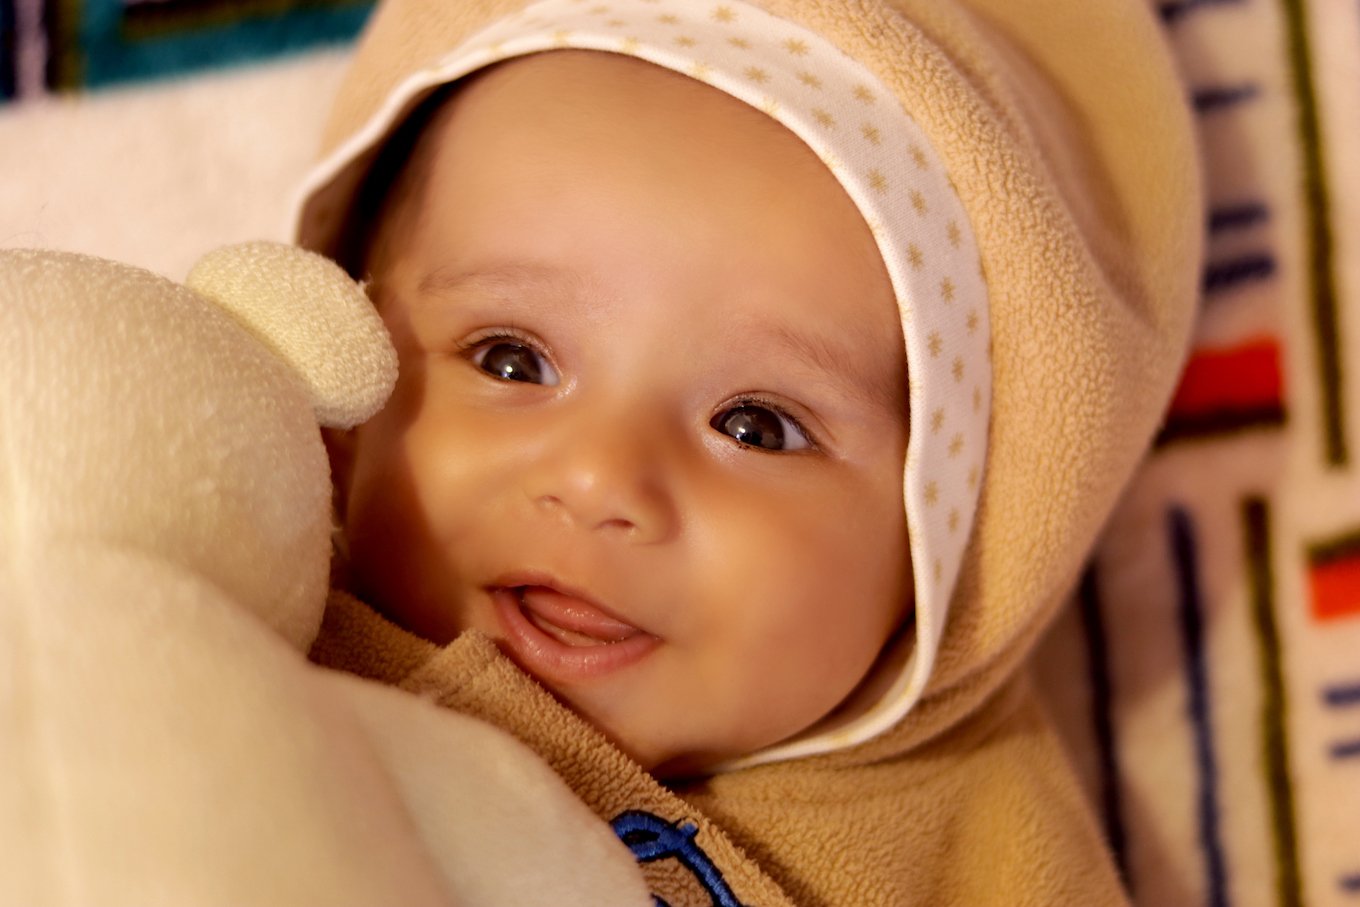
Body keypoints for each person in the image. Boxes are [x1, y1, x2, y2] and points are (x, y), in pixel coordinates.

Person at [296, 0, 1201, 903]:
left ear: (953, 541)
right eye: (511, 360)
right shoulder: (245, 623)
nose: (599, 477)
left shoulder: (986, 859)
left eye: (755, 426)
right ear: (353, 383)